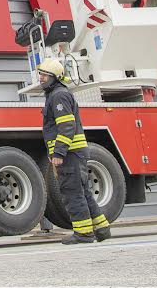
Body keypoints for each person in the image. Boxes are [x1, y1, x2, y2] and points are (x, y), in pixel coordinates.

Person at [37, 58, 110, 244]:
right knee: (83, 191)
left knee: (72, 192)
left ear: (55, 78)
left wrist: (59, 153)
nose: (41, 78)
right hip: (74, 153)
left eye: (45, 75)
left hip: (69, 154)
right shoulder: (56, 94)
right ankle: (101, 229)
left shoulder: (58, 96)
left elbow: (67, 126)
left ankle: (84, 233)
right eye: (41, 74)